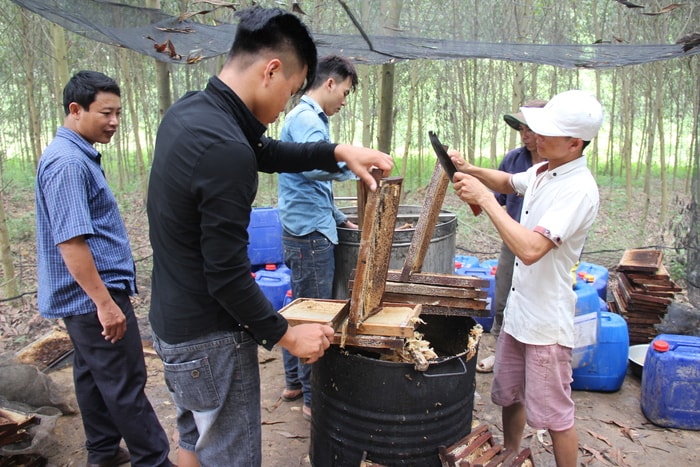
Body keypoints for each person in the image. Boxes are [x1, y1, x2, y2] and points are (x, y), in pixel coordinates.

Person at [146, 6, 393, 467]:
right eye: (292, 90)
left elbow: (267, 150)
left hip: (172, 323)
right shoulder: (225, 150)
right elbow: (227, 277)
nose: (287, 105)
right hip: (210, 339)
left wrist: (338, 150)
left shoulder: (192, 112)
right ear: (271, 70)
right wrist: (286, 335)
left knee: (192, 443)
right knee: (230, 457)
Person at [449, 90, 603, 467]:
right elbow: (507, 182)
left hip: (546, 323)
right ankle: (513, 454)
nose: (535, 136)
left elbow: (531, 250)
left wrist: (484, 201)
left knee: (556, 416)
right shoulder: (544, 170)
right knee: (509, 393)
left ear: (575, 142)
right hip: (519, 312)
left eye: (547, 132)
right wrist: (469, 169)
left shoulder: (578, 190)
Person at [35, 71, 173, 467]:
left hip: (86, 297)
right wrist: (105, 303)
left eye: (118, 113)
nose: (114, 121)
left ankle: (103, 452)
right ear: (75, 110)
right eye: (106, 113)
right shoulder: (67, 164)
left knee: (94, 377)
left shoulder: (76, 155)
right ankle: (154, 459)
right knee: (125, 381)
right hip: (92, 296)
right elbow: (71, 242)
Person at [277, 55, 360, 420]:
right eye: (344, 92)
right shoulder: (307, 118)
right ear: (330, 83)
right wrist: (355, 164)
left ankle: (295, 381)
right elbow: (313, 167)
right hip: (308, 233)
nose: (344, 100)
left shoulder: (308, 118)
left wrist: (341, 218)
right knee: (314, 314)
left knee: (301, 305)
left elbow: (312, 188)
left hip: (309, 224)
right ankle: (314, 398)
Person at [477, 99, 547, 373]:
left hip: (544, 245)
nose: (525, 135)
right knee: (504, 296)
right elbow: (499, 194)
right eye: (521, 129)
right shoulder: (514, 160)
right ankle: (501, 352)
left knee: (538, 301)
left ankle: (535, 358)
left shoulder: (558, 165)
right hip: (512, 242)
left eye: (529, 128)